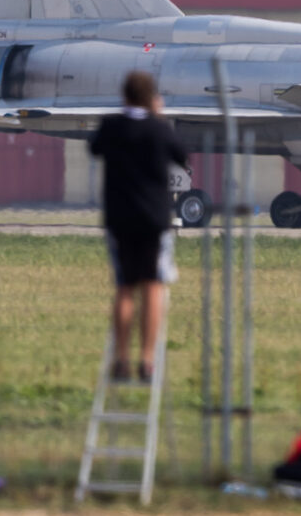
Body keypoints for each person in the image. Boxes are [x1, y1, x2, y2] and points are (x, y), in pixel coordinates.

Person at [89, 71, 188, 382]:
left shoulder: (112, 126)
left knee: (125, 288)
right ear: (151, 97)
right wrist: (157, 117)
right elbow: (182, 155)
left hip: (120, 218)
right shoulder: (158, 129)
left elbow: (95, 149)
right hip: (153, 219)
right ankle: (147, 360)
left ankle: (121, 359)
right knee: (153, 285)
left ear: (125, 95)